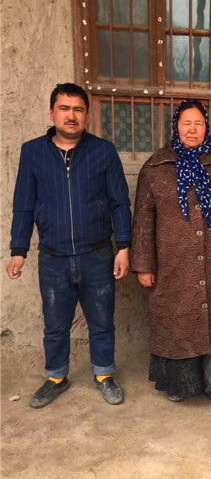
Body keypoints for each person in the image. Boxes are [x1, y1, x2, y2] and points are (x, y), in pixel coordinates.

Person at [6, 83, 131, 408]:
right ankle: (56, 377)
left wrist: (123, 246)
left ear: (86, 115)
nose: (71, 116)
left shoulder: (103, 151)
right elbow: (24, 204)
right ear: (52, 113)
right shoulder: (33, 152)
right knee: (55, 324)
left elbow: (119, 201)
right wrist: (18, 250)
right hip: (53, 256)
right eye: (64, 108)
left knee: (101, 320)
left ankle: (104, 374)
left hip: (97, 253)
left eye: (78, 109)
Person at [131, 99, 211, 402]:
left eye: (198, 123)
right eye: (186, 123)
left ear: (206, 127)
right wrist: (144, 264)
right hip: (172, 263)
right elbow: (143, 218)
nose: (192, 129)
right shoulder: (156, 167)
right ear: (176, 126)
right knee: (177, 322)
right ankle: (179, 385)